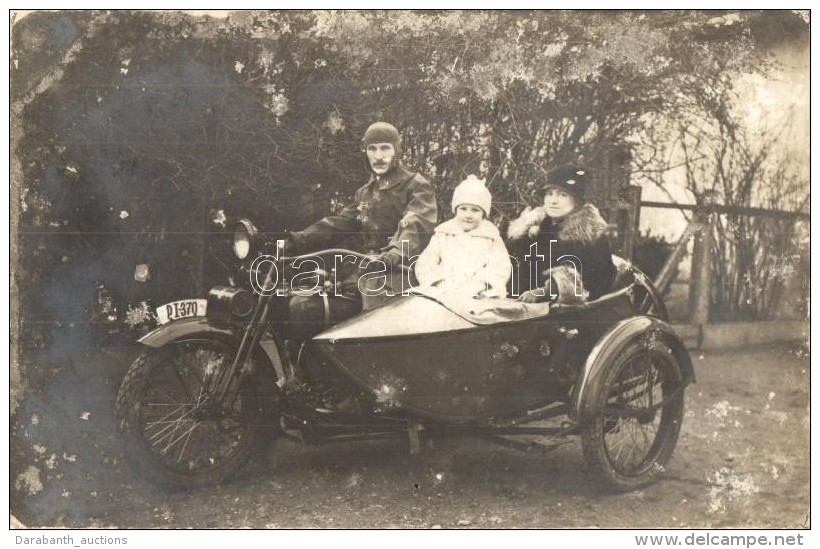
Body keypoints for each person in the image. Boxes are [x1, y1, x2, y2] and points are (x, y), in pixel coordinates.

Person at [287, 122, 438, 309]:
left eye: (385, 148)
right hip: (368, 270)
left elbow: (416, 223)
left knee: (372, 324)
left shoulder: (415, 185)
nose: (378, 156)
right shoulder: (365, 193)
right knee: (309, 305)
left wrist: (397, 251)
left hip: (401, 271)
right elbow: (339, 223)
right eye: (372, 149)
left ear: (397, 151)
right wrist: (297, 240)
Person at [507, 165, 616, 304]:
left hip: (564, 316)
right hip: (521, 309)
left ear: (577, 201)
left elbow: (598, 284)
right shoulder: (533, 230)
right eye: (549, 193)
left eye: (562, 195)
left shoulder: (589, 237)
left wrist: (549, 290)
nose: (553, 200)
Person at [415, 175, 511, 298]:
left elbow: (500, 266)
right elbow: (426, 261)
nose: (468, 215)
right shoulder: (444, 233)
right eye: (463, 209)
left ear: (483, 213)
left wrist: (480, 284)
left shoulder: (490, 236)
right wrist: (438, 282)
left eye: (475, 210)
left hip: (476, 292)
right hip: (444, 289)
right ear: (456, 210)